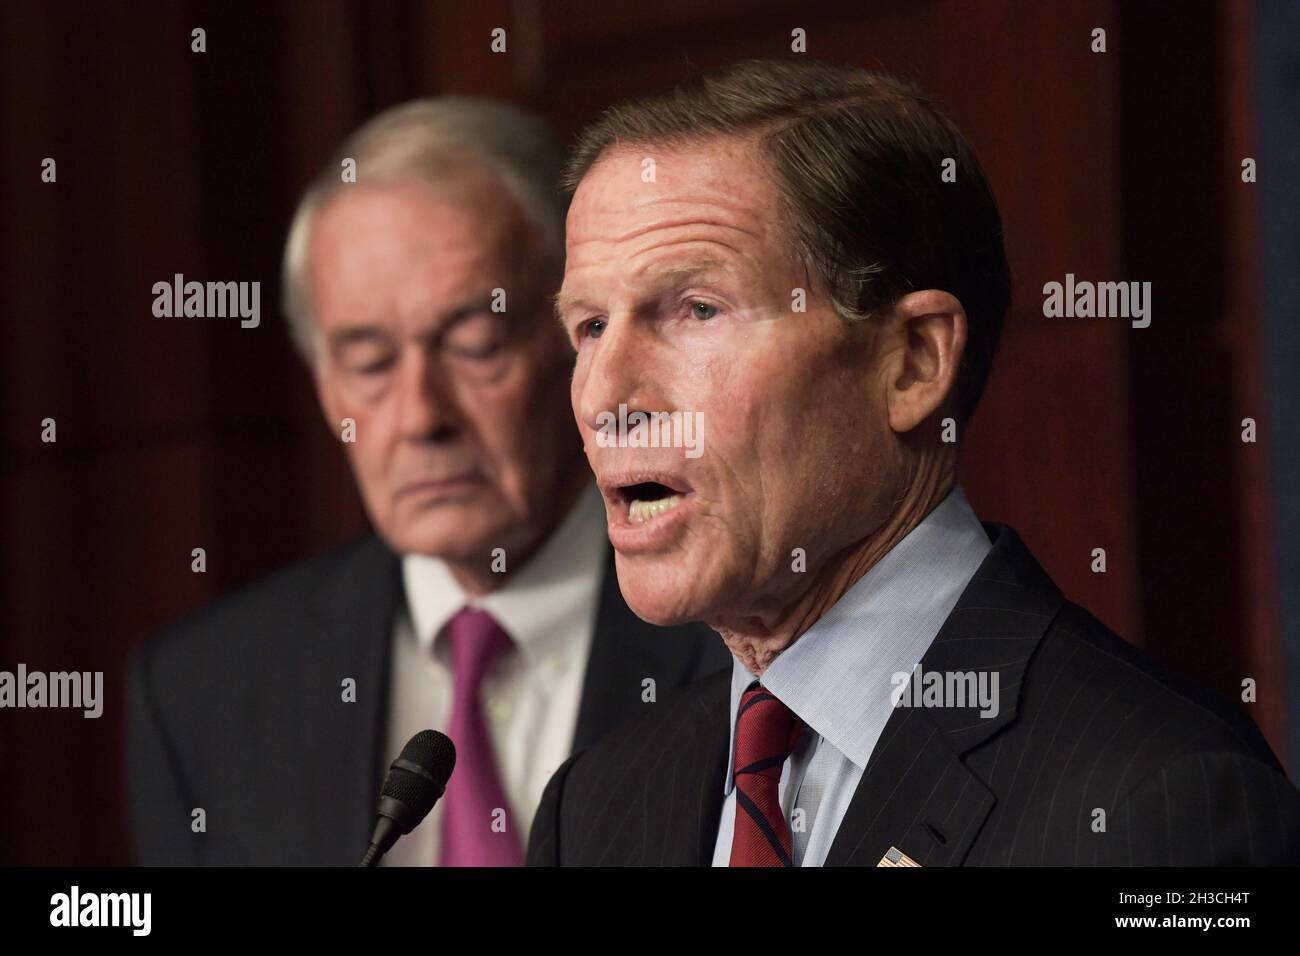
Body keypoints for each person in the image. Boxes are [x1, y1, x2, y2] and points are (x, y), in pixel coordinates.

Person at [530, 57, 1300, 866]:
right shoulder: (593, 810)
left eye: (697, 310)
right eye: (588, 327)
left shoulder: (1164, 807)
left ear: (912, 363)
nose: (605, 396)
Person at [127, 98, 727, 866]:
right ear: (323, 384)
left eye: (475, 344)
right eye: (369, 362)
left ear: (579, 342)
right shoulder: (203, 694)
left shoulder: (736, 626)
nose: (420, 416)